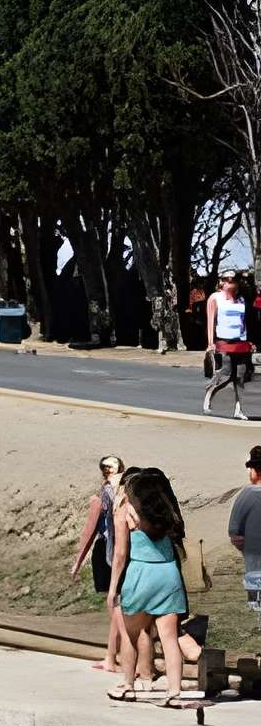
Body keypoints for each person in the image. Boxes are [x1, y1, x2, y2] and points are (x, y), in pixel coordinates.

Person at [111, 465, 192, 703]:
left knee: (130, 636)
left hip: (140, 573)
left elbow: (120, 554)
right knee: (169, 638)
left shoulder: (126, 510)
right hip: (168, 574)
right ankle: (174, 692)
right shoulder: (166, 513)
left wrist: (114, 587)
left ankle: (128, 686)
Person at [70, 456, 127, 677]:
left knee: (116, 608)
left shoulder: (105, 497)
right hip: (119, 552)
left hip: (109, 551)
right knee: (117, 606)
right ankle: (113, 656)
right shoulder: (122, 496)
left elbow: (89, 531)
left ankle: (115, 657)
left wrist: (77, 562)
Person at [206, 272, 254, 418]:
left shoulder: (241, 299)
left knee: (240, 376)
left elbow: (245, 321)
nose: (230, 282)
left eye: (233, 279)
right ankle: (209, 395)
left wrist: (249, 341)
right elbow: (210, 321)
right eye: (226, 279)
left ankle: (238, 410)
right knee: (224, 375)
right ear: (221, 282)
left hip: (240, 342)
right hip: (223, 342)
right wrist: (210, 343)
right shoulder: (215, 298)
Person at [232, 446, 261, 625]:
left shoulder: (246, 495)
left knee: (255, 602)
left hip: (254, 562)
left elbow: (234, 531)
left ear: (255, 471)